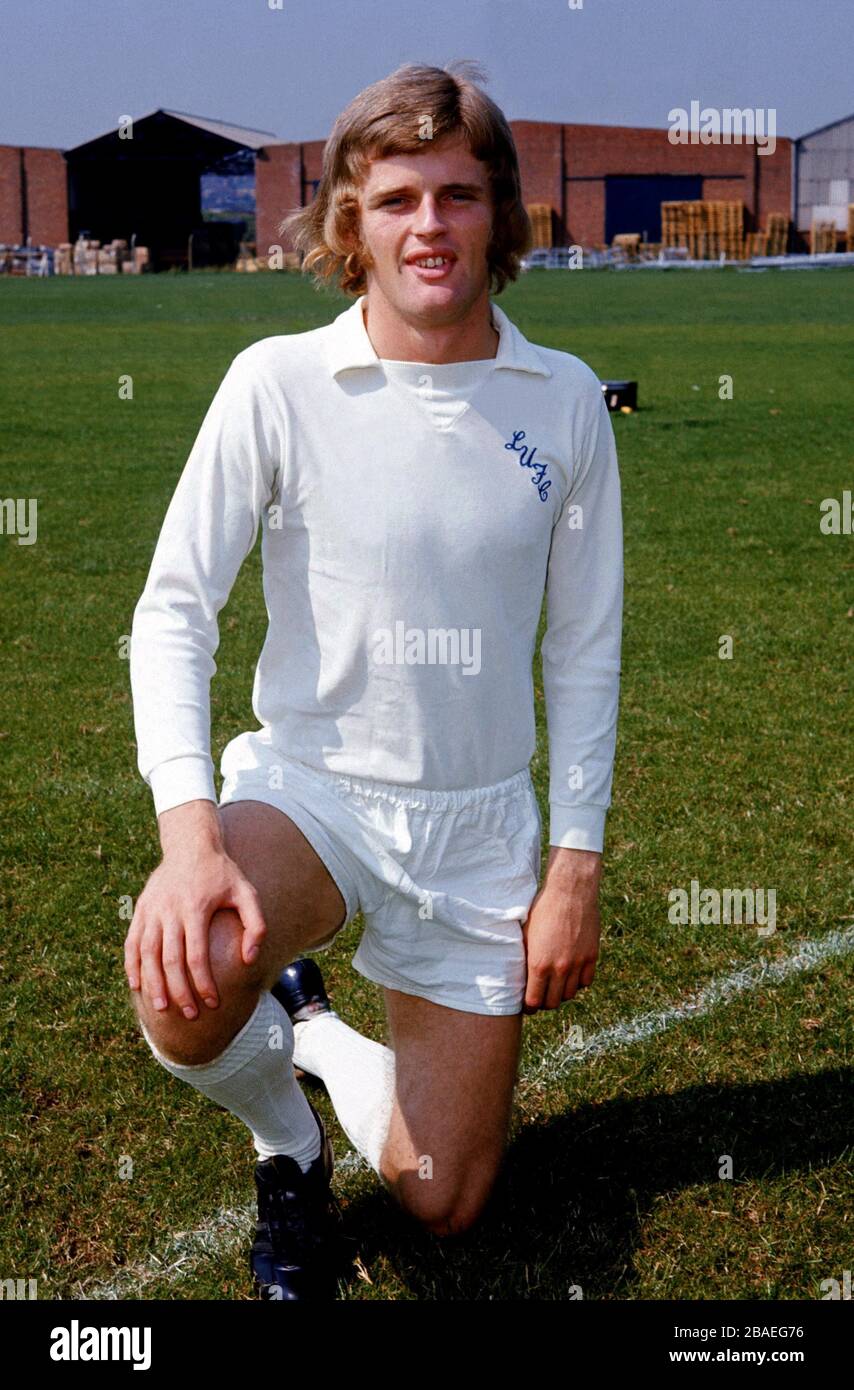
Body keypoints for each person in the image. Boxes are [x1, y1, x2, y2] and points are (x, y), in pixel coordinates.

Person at [125, 59, 623, 1301]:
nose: (428, 227)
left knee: (442, 1202)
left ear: (497, 213)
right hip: (314, 795)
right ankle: (285, 1144)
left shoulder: (562, 402)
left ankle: (320, 1031)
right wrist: (191, 839)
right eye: (396, 197)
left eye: (456, 195)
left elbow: (584, 646)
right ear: (351, 218)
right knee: (183, 986)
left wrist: (572, 870)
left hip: (476, 828)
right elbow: (173, 609)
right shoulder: (277, 382)